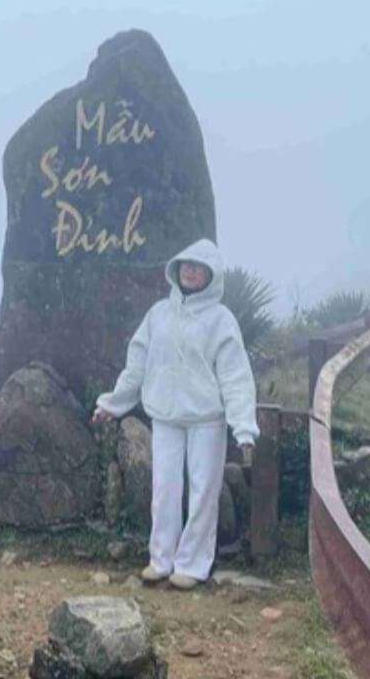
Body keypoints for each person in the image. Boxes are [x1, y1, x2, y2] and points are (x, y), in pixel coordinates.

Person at [93, 238, 258, 590]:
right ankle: (161, 558)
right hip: (165, 415)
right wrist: (112, 403)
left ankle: (193, 564)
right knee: (164, 489)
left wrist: (243, 426)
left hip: (207, 419)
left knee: (203, 491)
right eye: (186, 265)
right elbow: (137, 365)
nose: (191, 272)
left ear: (211, 275)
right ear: (176, 270)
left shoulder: (221, 320)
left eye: (198, 268)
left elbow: (235, 376)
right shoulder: (158, 315)